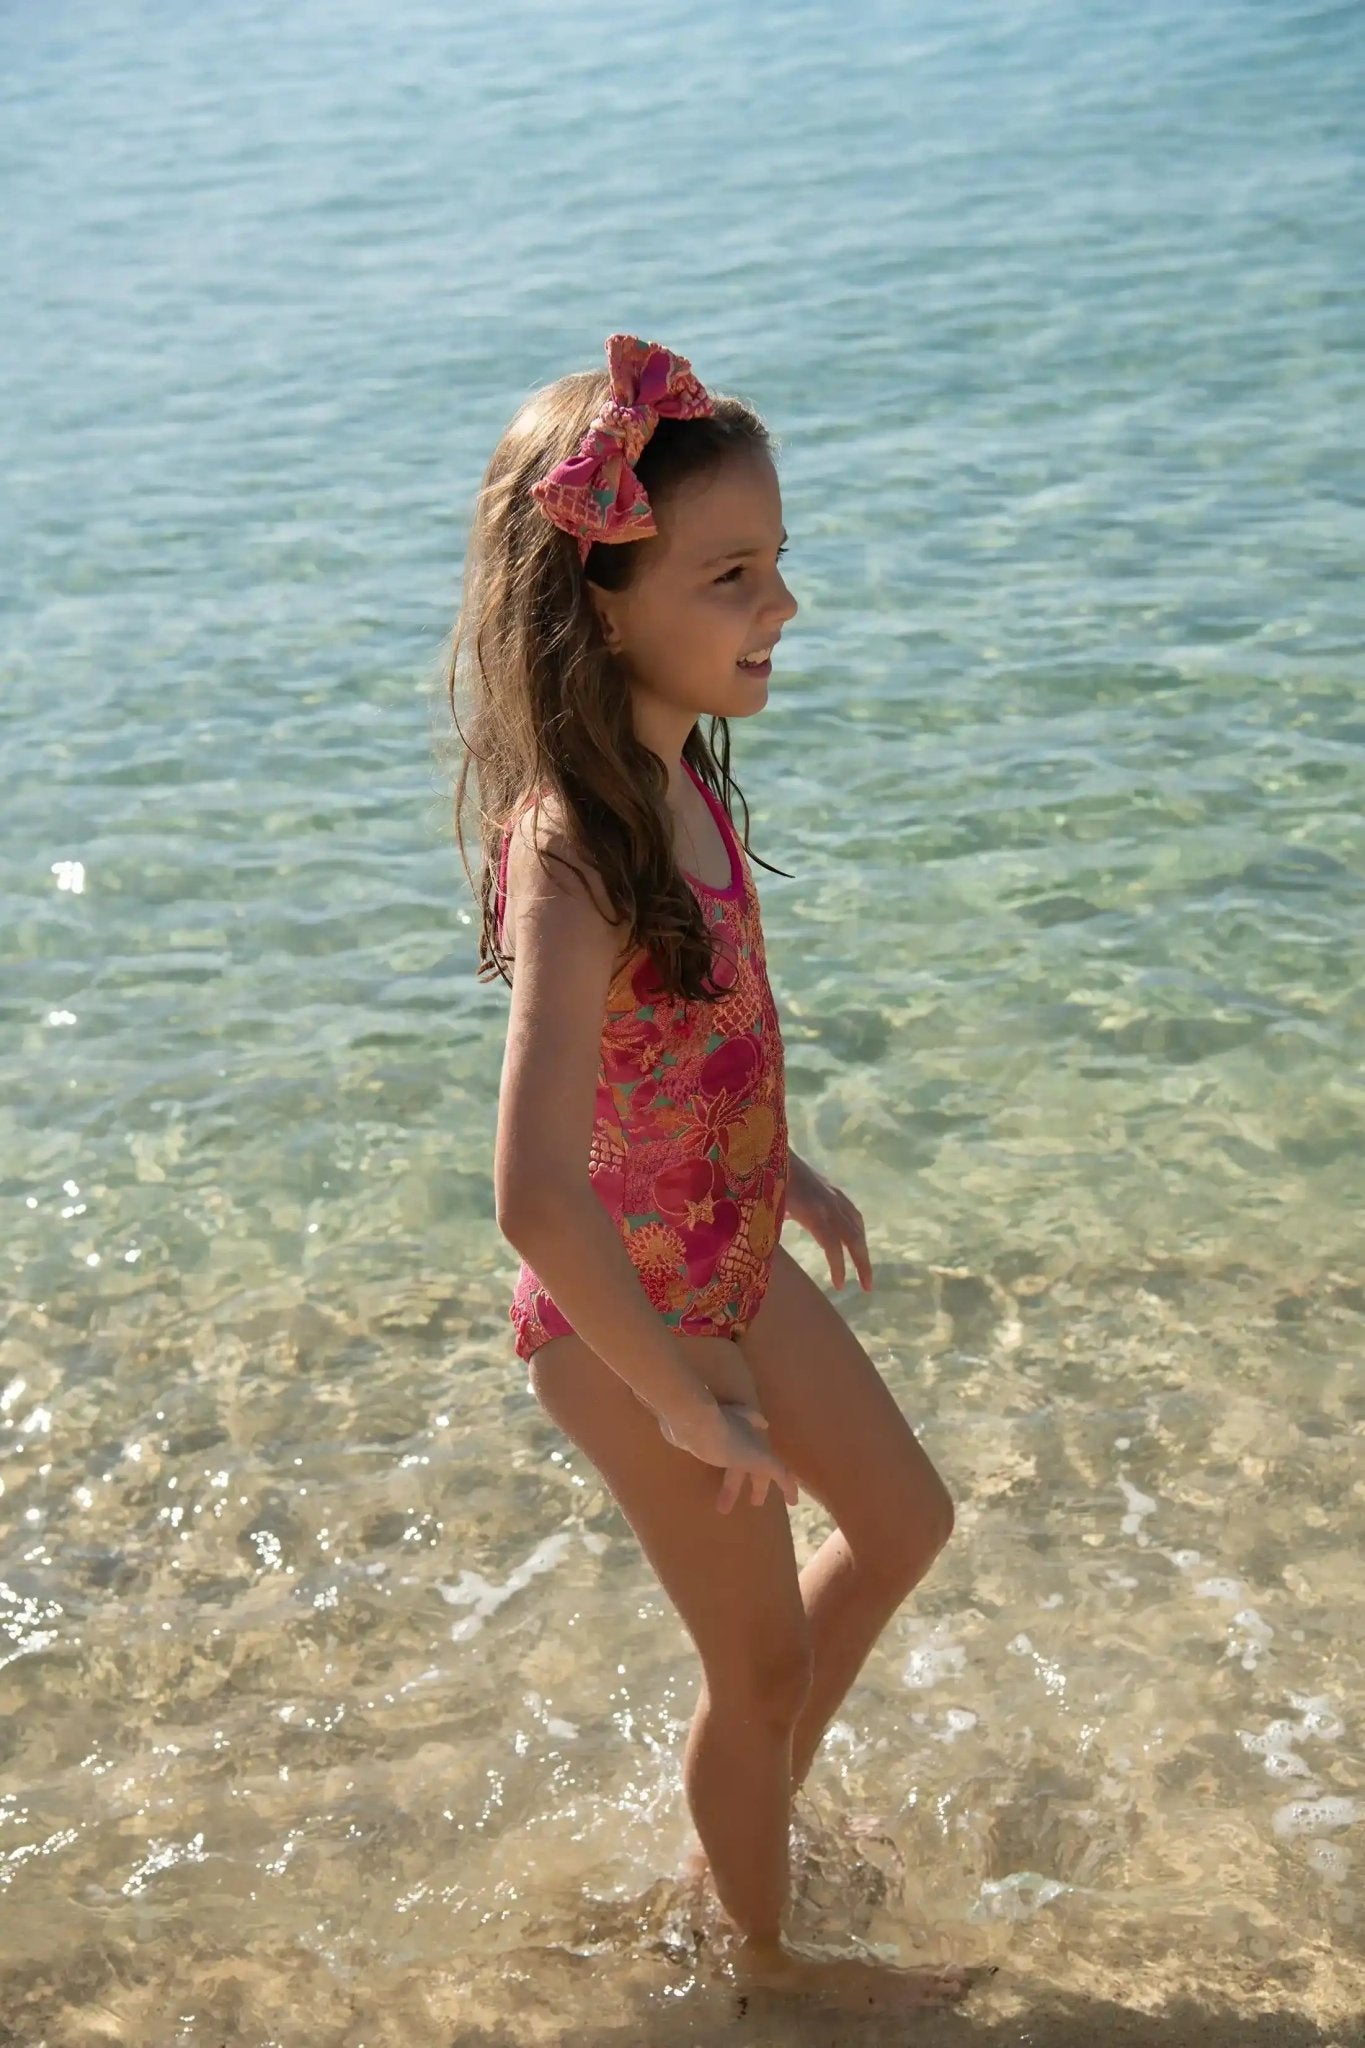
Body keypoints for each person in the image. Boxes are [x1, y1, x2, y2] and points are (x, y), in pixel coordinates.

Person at [449, 335, 977, 2012]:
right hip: (632, 1330)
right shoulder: (575, 844)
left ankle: (742, 1824)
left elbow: (671, 1051)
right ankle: (764, 1962)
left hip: (731, 1251)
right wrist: (680, 1396)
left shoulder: (679, 770)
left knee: (901, 1520)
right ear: (602, 599)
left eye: (779, 565)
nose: (781, 608)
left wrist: (788, 1165)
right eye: (731, 575)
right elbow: (533, 1190)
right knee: (752, 1669)